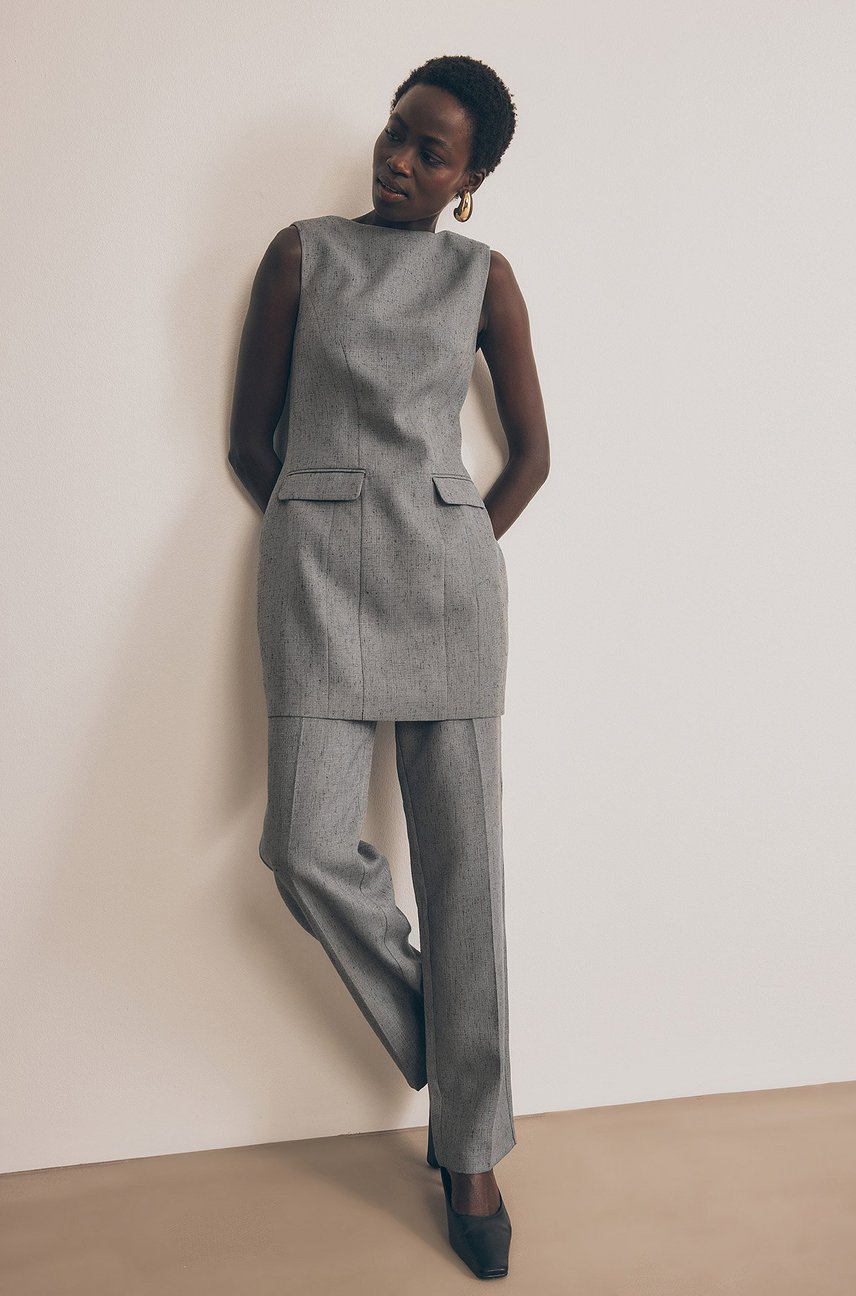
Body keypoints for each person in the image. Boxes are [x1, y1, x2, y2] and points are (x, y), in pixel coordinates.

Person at [228, 54, 550, 1280]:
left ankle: (470, 1153)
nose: (399, 160)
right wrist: (322, 531)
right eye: (397, 132)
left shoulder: (484, 278)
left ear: (472, 179)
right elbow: (247, 440)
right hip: (318, 588)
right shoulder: (300, 255)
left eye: (431, 152)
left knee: (468, 873)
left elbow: (533, 454)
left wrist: (454, 547)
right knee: (302, 846)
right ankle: (451, 1042)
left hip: (450, 593)